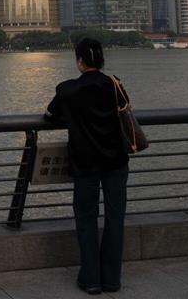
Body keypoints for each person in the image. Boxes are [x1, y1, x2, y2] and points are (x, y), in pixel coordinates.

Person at [46, 38, 129, 295]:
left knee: (86, 218)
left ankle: (91, 279)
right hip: (116, 160)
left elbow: (50, 114)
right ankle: (112, 280)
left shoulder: (67, 90)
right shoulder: (114, 85)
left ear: (79, 60)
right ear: (101, 60)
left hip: (85, 162)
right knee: (115, 218)